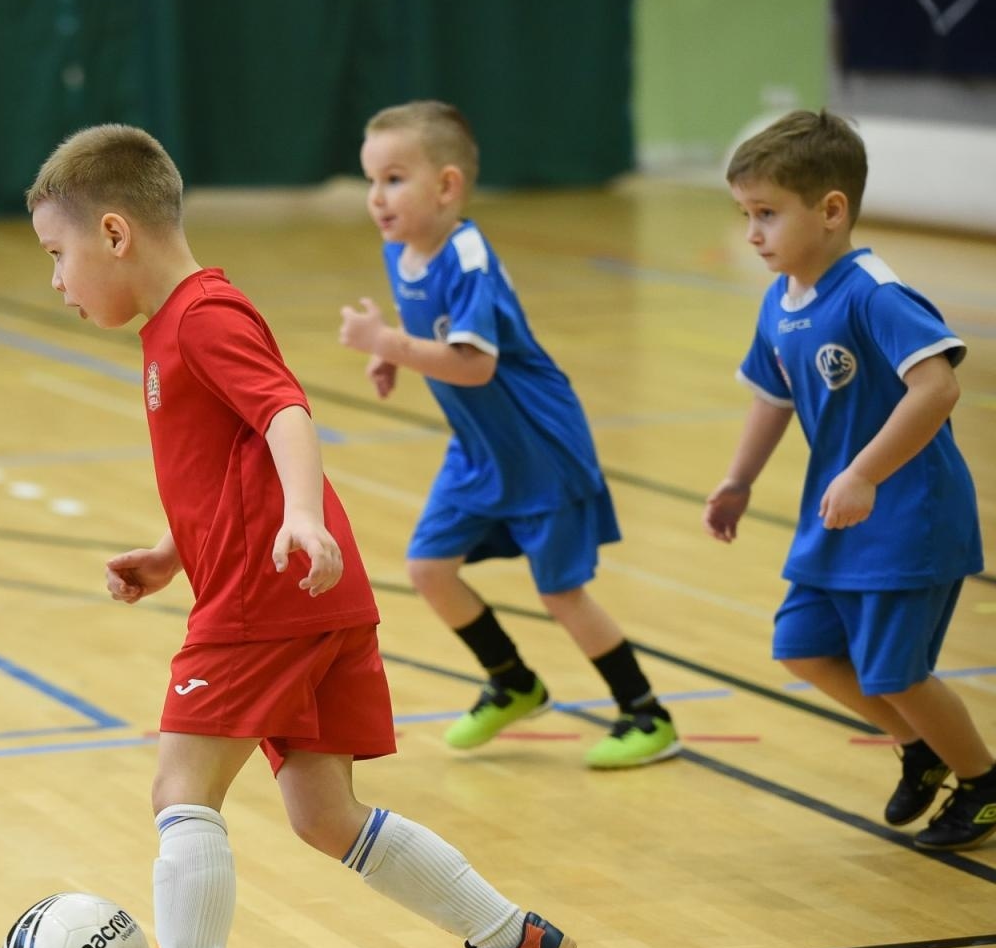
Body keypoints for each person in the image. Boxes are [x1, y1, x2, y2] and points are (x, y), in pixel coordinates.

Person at [26, 124, 574, 948]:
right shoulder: (179, 321)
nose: (56, 280)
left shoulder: (203, 316)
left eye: (57, 254)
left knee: (180, 789)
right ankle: (509, 940)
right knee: (325, 815)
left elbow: (284, 411)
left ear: (114, 234)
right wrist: (170, 550)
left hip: (264, 598)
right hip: (298, 592)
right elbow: (228, 460)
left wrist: (304, 518)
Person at [337, 99, 679, 769]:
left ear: (447, 186)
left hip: (540, 448)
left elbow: (474, 362)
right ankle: (514, 681)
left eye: (394, 179)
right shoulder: (401, 248)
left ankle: (647, 713)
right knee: (429, 568)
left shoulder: (467, 259)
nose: (377, 197)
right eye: (371, 180)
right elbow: (430, 336)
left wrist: (389, 342)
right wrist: (390, 351)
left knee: (560, 593)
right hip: (479, 451)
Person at [704, 109, 992, 851]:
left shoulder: (873, 293)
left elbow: (937, 388)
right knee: (802, 647)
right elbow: (773, 396)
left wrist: (864, 473)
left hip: (908, 516)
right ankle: (923, 749)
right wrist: (738, 480)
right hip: (839, 517)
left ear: (832, 211)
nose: (753, 234)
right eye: (746, 215)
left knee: (896, 671)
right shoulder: (781, 300)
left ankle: (986, 785)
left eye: (767, 214)